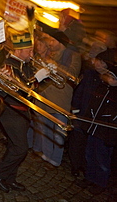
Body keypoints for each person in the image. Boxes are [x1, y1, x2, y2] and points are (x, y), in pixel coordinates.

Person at [0, 26, 49, 193]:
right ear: (18, 50)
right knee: (20, 149)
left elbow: (31, 91)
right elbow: (19, 92)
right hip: (11, 111)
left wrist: (43, 79)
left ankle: (10, 177)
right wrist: (36, 78)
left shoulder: (25, 64)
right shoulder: (9, 65)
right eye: (29, 50)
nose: (32, 54)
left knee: (15, 147)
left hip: (22, 112)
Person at [35, 30, 81, 168]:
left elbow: (72, 75)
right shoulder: (47, 53)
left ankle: (55, 160)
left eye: (53, 41)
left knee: (58, 134)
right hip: (43, 97)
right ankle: (46, 156)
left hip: (61, 100)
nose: (50, 43)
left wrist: (54, 64)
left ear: (61, 42)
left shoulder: (73, 56)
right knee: (45, 130)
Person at [75, 49, 117, 195]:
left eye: (113, 77)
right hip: (94, 126)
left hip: (106, 131)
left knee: (102, 158)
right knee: (90, 153)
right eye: (109, 76)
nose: (109, 79)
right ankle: (89, 177)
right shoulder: (102, 86)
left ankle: (100, 182)